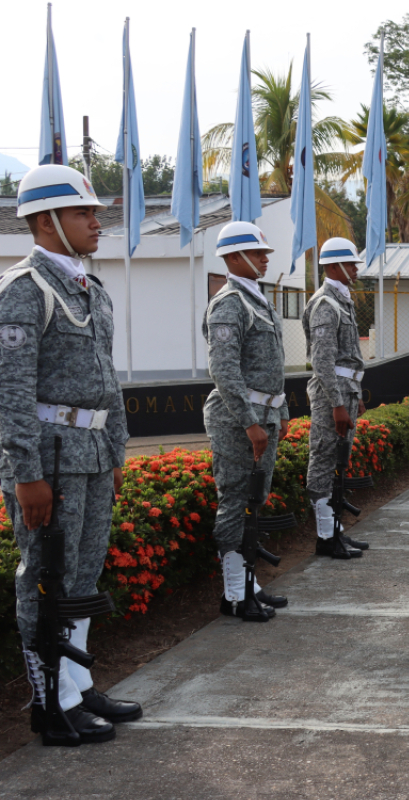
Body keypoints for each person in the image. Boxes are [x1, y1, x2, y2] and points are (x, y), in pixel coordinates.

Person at [3, 164, 139, 745]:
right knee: (45, 577)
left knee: (83, 575)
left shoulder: (89, 287)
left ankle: (77, 686)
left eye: (94, 211)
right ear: (45, 219)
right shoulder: (24, 289)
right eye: (84, 212)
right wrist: (25, 475)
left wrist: (115, 448)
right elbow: (10, 392)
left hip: (89, 451)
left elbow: (108, 381)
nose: (96, 220)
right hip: (50, 458)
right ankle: (49, 705)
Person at [203, 221, 290, 622]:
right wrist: (250, 422)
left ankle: (249, 585)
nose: (265, 258)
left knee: (255, 501)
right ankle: (234, 593)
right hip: (239, 420)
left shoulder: (257, 298)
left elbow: (272, 365)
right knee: (236, 502)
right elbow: (224, 370)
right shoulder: (229, 303)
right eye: (258, 253)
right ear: (234, 257)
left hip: (265, 414)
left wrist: (281, 410)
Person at [304, 238, 367, 560]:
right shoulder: (325, 304)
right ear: (332, 266)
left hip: (346, 392)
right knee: (324, 461)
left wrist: (354, 397)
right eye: (350, 263)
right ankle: (325, 537)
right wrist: (337, 404)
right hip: (333, 395)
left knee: (338, 462)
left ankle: (335, 531)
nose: (356, 268)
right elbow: (323, 362)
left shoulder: (342, 300)